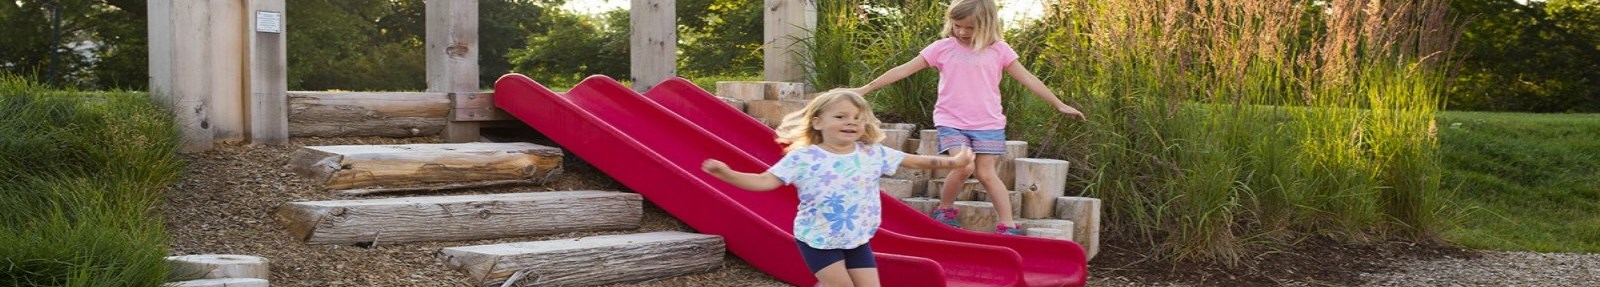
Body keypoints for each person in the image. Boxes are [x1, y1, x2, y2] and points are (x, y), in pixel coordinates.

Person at [846, 0, 1087, 235]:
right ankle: (945, 210)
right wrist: (865, 88)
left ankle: (1007, 225)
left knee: (986, 174)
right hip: (951, 120)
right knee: (963, 166)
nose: (961, 32)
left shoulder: (1000, 50)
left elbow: (1029, 79)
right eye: (957, 25)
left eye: (969, 27)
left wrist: (1059, 104)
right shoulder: (942, 48)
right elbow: (903, 69)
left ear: (986, 24)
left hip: (988, 122)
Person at [702, 89, 974, 287]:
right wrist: (728, 174)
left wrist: (953, 162)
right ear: (818, 122)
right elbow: (763, 181)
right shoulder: (804, 158)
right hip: (818, 240)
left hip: (857, 239)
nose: (852, 122)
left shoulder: (871, 153)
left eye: (858, 118)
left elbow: (916, 162)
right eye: (841, 116)